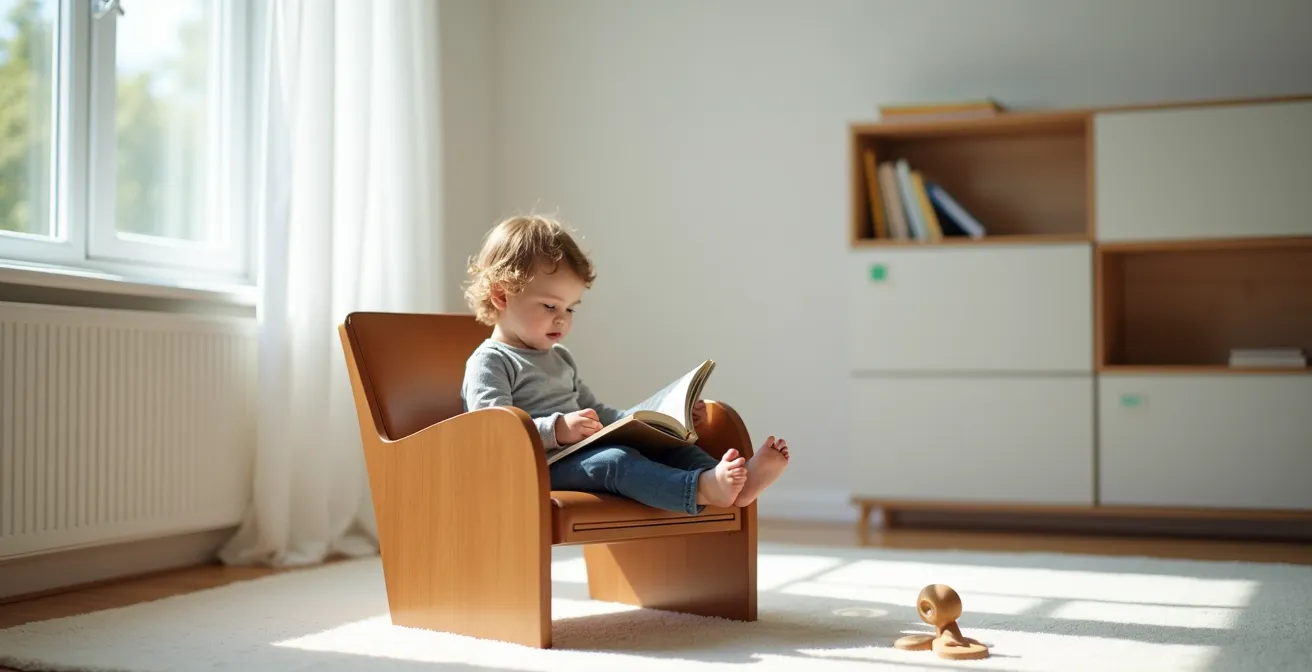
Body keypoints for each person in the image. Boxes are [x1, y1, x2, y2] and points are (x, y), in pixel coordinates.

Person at [460, 214, 790, 515]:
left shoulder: (560, 358)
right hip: (539, 468)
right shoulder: (490, 361)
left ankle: (727, 481)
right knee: (617, 462)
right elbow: (494, 432)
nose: (562, 319)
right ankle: (702, 489)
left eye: (571, 308)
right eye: (549, 306)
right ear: (501, 296)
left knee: (670, 450)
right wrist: (557, 430)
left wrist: (661, 422)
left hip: (580, 455)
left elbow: (599, 415)